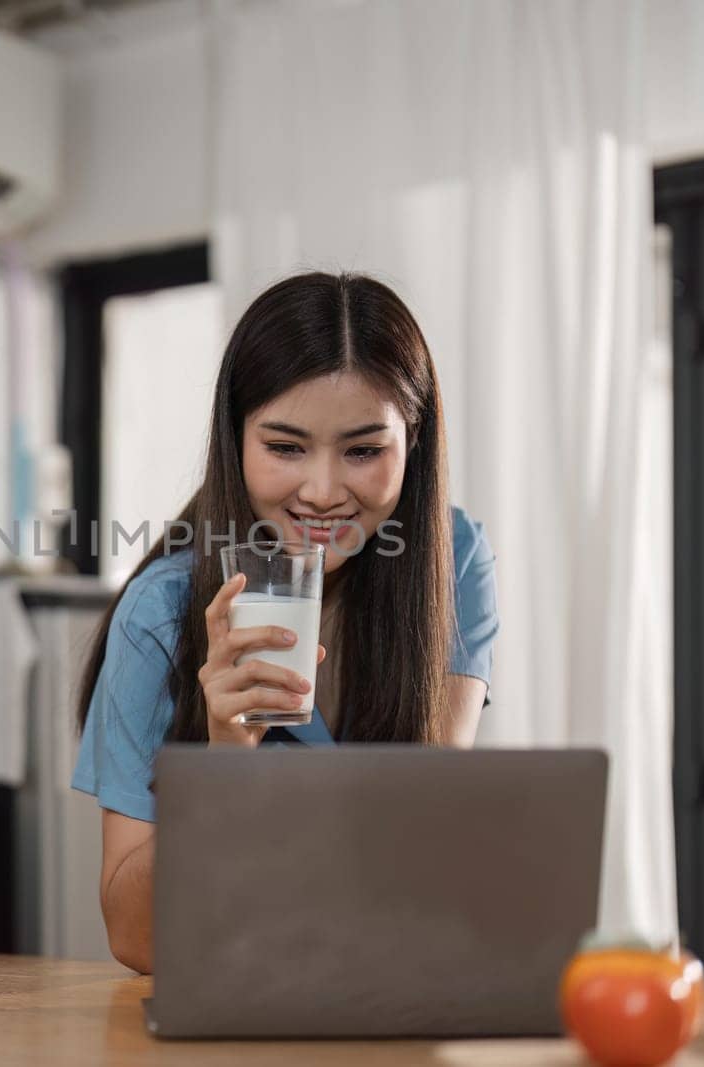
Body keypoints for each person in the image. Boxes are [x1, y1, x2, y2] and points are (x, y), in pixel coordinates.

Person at [71, 271, 499, 974]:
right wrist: (224, 763)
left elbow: (424, 841)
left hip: (391, 986)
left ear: (413, 442)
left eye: (363, 450)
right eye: (285, 447)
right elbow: (134, 938)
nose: (324, 492)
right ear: (235, 439)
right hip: (239, 992)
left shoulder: (454, 566)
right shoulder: (159, 611)